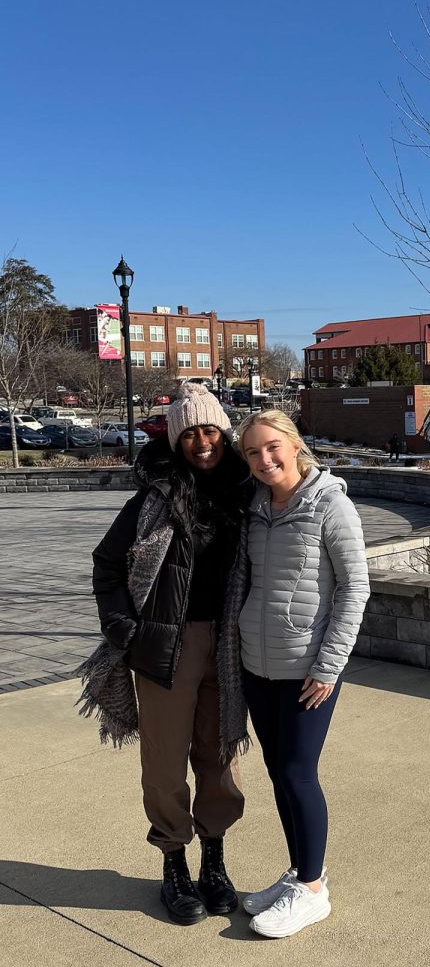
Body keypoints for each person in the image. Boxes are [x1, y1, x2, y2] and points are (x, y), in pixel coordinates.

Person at [78, 382, 253, 926]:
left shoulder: (246, 495)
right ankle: (174, 863)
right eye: (191, 434)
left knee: (219, 756)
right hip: (164, 646)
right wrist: (122, 627)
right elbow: (107, 563)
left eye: (211, 431)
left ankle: (214, 859)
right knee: (164, 762)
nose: (203, 443)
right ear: (177, 440)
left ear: (224, 434)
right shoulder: (151, 501)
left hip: (227, 645)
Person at [229, 410, 369, 939]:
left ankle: (312, 890)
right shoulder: (256, 507)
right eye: (252, 453)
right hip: (257, 664)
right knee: (278, 772)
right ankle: (298, 873)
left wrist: (329, 666)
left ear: (293, 444)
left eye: (272, 448)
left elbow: (356, 590)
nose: (264, 460)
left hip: (308, 667)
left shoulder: (331, 505)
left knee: (297, 772)